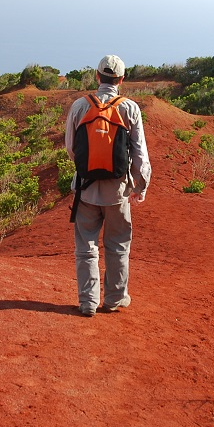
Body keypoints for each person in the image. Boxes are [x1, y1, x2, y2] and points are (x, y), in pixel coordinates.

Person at [64, 54, 151, 317]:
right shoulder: (130, 108)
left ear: (97, 76)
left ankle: (87, 303)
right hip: (118, 191)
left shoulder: (80, 106)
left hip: (86, 189)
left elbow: (71, 149)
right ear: (122, 79)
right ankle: (114, 299)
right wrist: (140, 186)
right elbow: (140, 154)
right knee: (118, 245)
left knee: (86, 248)